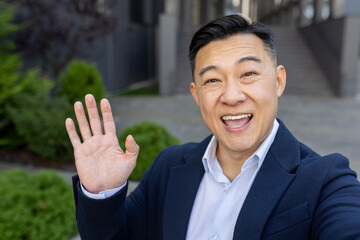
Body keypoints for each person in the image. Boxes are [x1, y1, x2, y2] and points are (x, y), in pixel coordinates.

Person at [66, 15, 360, 240]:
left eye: (248, 74)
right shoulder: (168, 168)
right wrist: (100, 193)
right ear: (196, 94)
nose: (231, 96)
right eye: (212, 80)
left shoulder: (326, 180)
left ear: (278, 81)